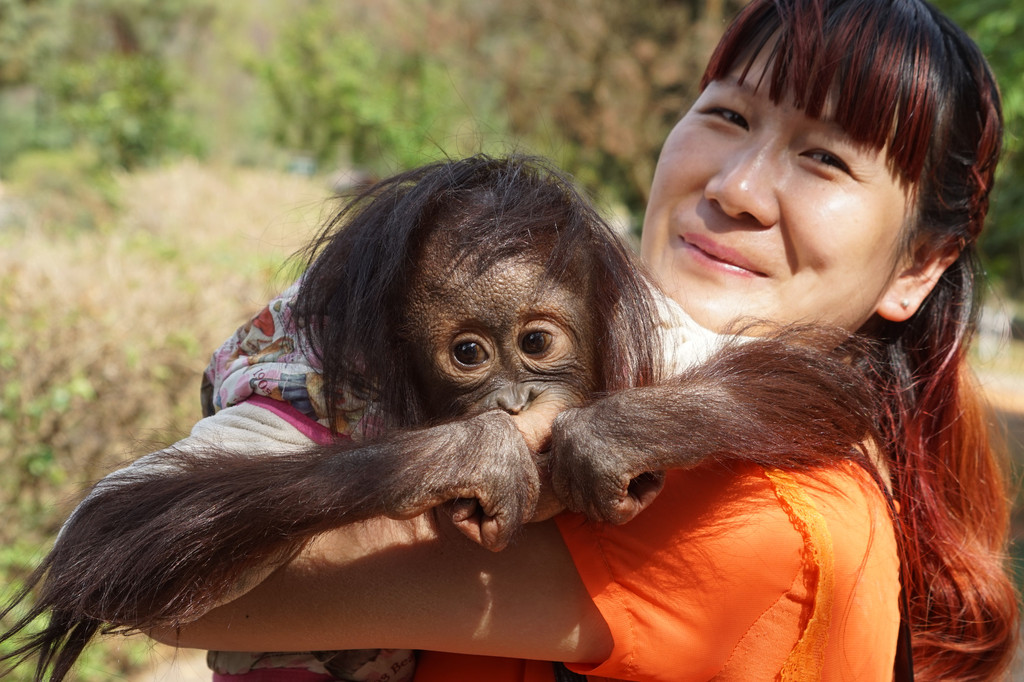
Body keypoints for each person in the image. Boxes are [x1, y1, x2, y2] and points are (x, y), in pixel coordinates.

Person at [153, 0, 1019, 679]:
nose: (738, 187)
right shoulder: (655, 376)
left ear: (919, 268)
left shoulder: (759, 518)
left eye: (826, 158)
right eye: (727, 115)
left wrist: (433, 460)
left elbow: (174, 583)